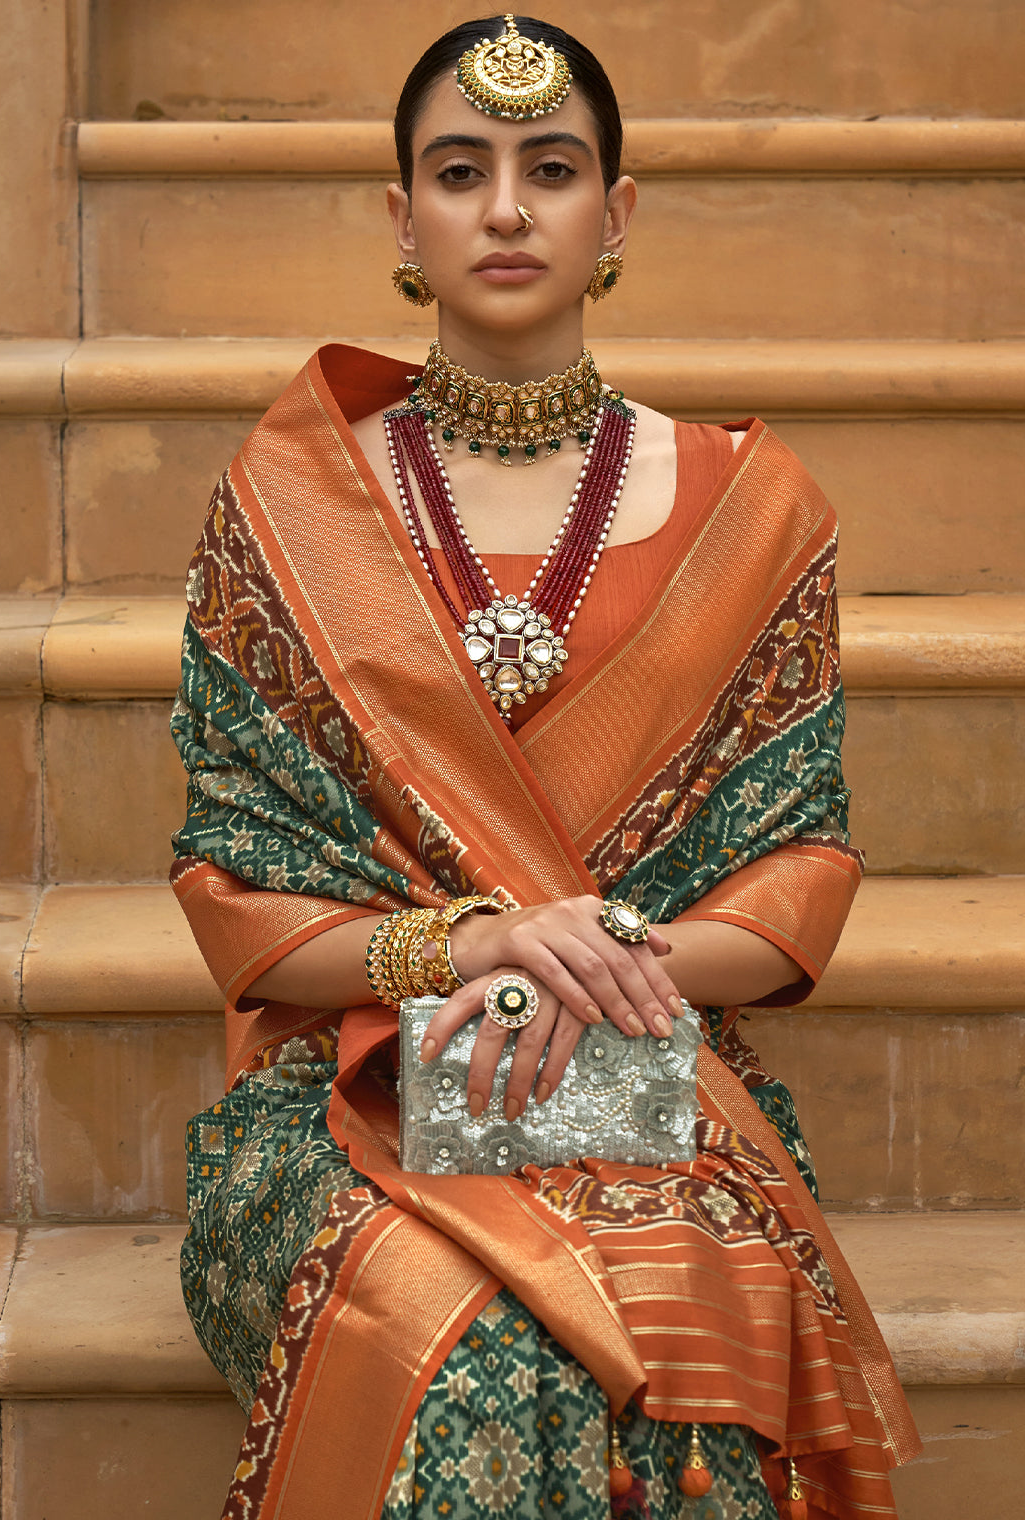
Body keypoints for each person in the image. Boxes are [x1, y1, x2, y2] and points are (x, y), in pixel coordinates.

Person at [170, 16, 919, 1519]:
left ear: (614, 215)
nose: (506, 209)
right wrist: (479, 940)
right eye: (461, 170)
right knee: (461, 1324)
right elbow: (236, 888)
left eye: (550, 169)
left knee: (674, 1304)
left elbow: (799, 876)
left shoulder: (752, 514)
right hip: (349, 1084)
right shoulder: (288, 508)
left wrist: (584, 964)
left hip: (652, 1070)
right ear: (404, 219)